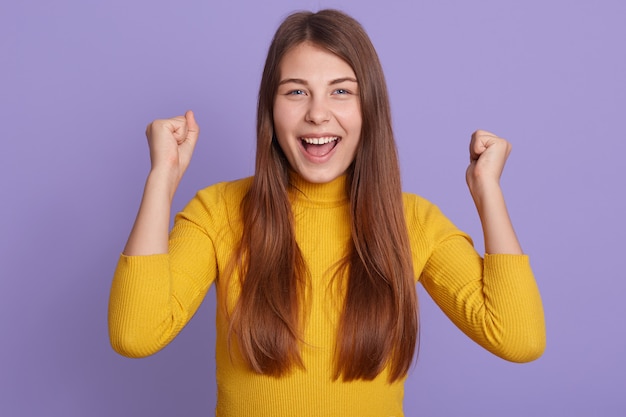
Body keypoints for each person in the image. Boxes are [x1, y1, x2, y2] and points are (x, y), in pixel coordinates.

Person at [108, 9, 545, 417]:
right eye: (296, 91)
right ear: (271, 110)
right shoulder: (218, 210)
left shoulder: (411, 221)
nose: (318, 114)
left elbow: (518, 338)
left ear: (368, 108)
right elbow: (135, 334)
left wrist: (487, 192)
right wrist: (161, 181)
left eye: (341, 91)